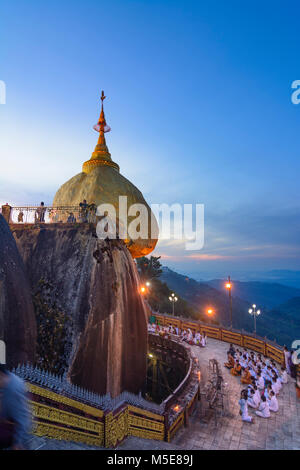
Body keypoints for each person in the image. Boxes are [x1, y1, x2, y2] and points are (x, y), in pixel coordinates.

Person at [0, 364, 31, 450]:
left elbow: (23, 419)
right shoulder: (5, 381)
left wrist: (18, 442)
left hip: (12, 435)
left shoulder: (14, 389)